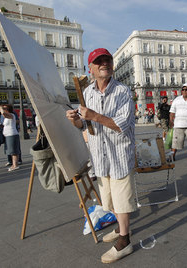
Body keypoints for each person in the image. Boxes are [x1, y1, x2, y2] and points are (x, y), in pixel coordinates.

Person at [66, 48, 136, 263]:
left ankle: (125, 240)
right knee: (109, 200)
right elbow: (84, 124)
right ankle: (120, 229)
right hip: (100, 156)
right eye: (99, 61)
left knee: (122, 200)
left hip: (119, 155)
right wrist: (74, 120)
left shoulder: (123, 91)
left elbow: (122, 125)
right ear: (91, 69)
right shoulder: (86, 93)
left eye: (107, 60)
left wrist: (95, 115)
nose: (104, 63)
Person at [0, 104, 20, 171]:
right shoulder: (6, 117)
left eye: (5, 108)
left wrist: (1, 108)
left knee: (13, 151)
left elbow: (4, 114)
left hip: (12, 134)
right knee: (12, 150)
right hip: (8, 135)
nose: (3, 109)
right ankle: (14, 164)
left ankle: (15, 165)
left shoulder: (11, 115)